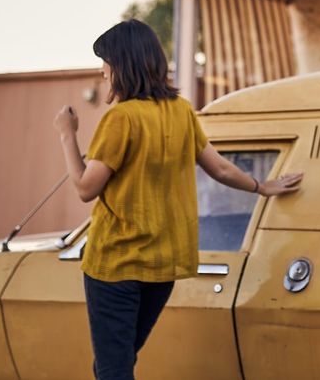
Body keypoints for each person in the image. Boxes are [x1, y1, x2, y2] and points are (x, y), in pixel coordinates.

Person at [53, 19, 303, 380]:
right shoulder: (181, 111)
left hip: (116, 264)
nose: (103, 73)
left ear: (122, 66)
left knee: (113, 368)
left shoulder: (121, 119)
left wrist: (66, 135)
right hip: (163, 266)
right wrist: (262, 186)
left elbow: (84, 188)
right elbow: (218, 168)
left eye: (105, 65)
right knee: (118, 363)